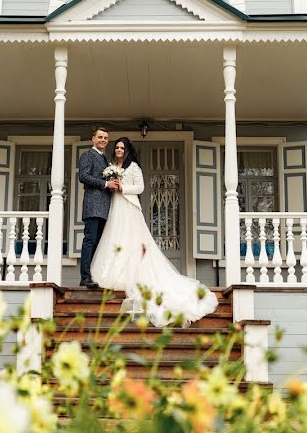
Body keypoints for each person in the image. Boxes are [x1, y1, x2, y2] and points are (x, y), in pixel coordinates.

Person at [91, 137, 219, 327]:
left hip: (130, 207)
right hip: (115, 207)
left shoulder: (133, 167)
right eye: (116, 147)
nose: (118, 150)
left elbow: (140, 187)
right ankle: (118, 274)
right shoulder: (110, 166)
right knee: (115, 239)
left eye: (122, 147)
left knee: (132, 241)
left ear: (127, 150)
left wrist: (123, 187)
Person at [77, 126, 119, 289]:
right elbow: (83, 176)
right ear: (93, 139)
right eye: (100, 137)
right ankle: (85, 277)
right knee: (90, 240)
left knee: (99, 243)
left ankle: (94, 275)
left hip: (104, 207)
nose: (103, 140)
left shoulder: (105, 158)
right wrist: (105, 183)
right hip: (93, 205)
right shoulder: (88, 155)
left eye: (105, 138)